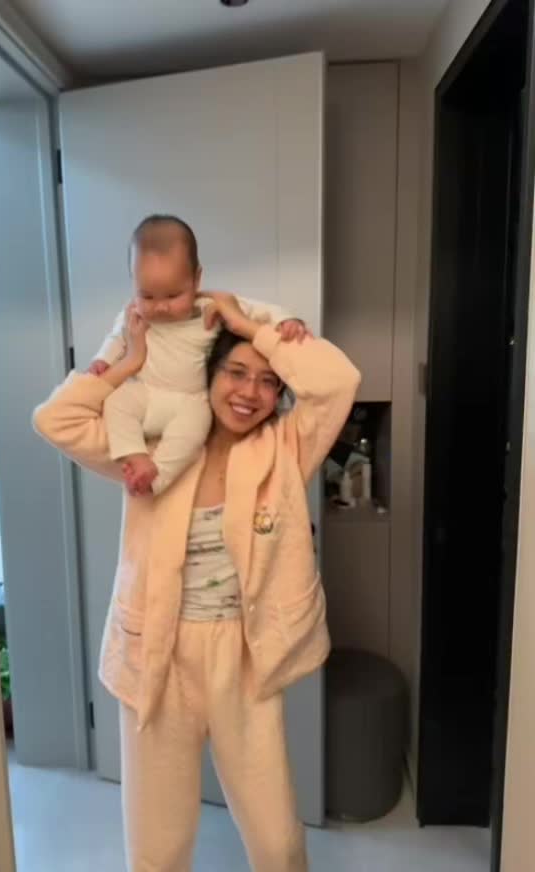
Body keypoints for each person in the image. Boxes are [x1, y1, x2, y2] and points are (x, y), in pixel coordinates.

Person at [33, 292, 360, 872]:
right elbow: (55, 419)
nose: (249, 392)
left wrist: (251, 324)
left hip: (244, 656)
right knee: (156, 848)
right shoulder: (150, 447)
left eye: (268, 382)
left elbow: (339, 381)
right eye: (235, 372)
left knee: (278, 843)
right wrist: (128, 360)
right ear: (208, 373)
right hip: (159, 654)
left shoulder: (285, 448)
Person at [89, 214, 306, 496]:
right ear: (133, 283)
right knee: (116, 402)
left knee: (192, 433)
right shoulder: (133, 314)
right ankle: (135, 456)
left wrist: (285, 320)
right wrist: (103, 360)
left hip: (192, 400)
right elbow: (116, 338)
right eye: (148, 296)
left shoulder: (211, 308)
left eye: (173, 295)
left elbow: (260, 311)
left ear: (196, 280)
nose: (160, 307)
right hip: (145, 394)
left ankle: (155, 480)